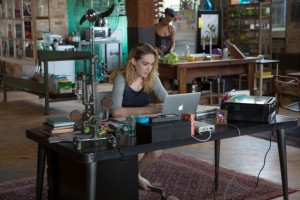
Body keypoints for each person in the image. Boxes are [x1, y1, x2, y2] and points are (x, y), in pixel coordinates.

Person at [109, 42, 169, 191]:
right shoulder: (121, 79)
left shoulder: (152, 78)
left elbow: (167, 100)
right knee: (140, 151)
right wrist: (146, 109)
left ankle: (133, 175)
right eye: (145, 64)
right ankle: (127, 180)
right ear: (134, 61)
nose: (149, 68)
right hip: (122, 126)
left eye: (152, 64)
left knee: (157, 150)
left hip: (142, 124)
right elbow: (116, 111)